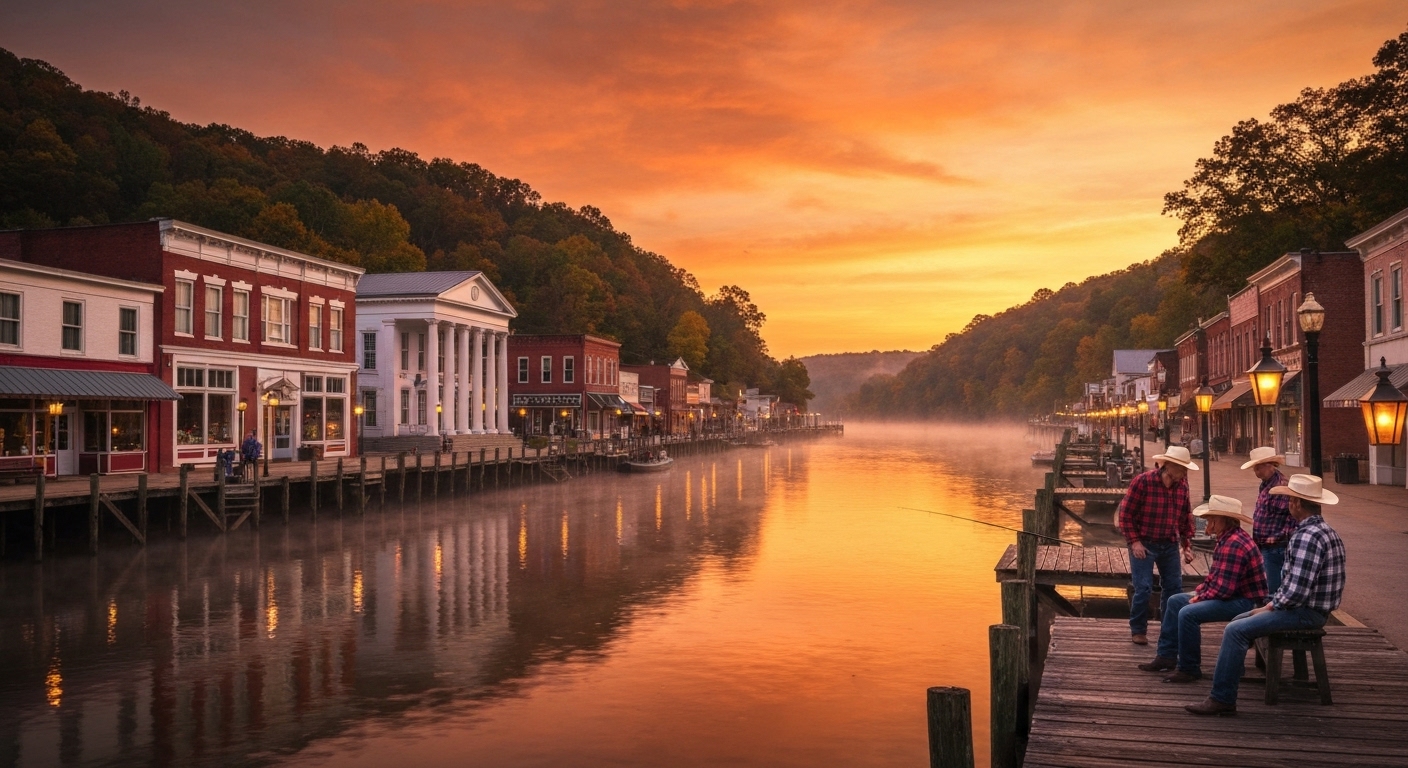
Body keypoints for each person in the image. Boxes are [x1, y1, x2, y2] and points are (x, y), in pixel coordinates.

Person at [1186, 474, 1345, 716]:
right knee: (1240, 621)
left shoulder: (1306, 537)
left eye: (1291, 499)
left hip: (1305, 613)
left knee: (1235, 630)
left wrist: (1270, 607)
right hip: (1311, 609)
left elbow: (1296, 592)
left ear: (1297, 504)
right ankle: (1230, 675)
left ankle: (1222, 698)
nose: (1288, 504)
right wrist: (1271, 604)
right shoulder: (1325, 531)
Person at [1139, 495, 1266, 682]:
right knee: (1175, 602)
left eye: (1211, 519)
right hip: (1233, 596)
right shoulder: (1227, 538)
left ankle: (1189, 668)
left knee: (1188, 613)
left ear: (1220, 520)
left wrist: (1197, 598)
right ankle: (1166, 655)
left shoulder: (1234, 544)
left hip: (1244, 602)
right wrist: (1200, 591)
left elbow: (1224, 590)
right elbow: (1214, 579)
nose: (1208, 523)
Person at [1117, 445, 1197, 645]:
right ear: (1167, 465)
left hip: (1169, 543)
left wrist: (1187, 545)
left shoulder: (1183, 486)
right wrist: (1134, 542)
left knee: (1173, 588)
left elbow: (1185, 517)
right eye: (1181, 468)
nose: (1184, 472)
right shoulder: (1143, 482)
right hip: (1144, 541)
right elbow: (1125, 514)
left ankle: (1168, 629)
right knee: (1143, 587)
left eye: (1185, 469)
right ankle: (1138, 629)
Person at [1241, 446, 1293, 594]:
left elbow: (1291, 518)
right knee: (1267, 583)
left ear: (1269, 465)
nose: (1256, 471)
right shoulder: (1266, 483)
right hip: (1266, 544)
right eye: (1255, 468)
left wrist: (1277, 537)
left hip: (1276, 546)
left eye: (1259, 467)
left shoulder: (1281, 486)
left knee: (1273, 587)